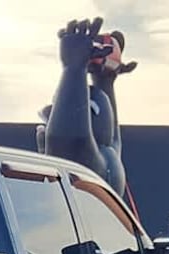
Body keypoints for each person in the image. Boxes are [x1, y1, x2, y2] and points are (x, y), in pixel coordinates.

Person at [36, 17, 138, 200]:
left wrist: (76, 68)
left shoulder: (101, 159)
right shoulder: (101, 161)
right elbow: (74, 138)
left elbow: (75, 138)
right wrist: (87, 73)